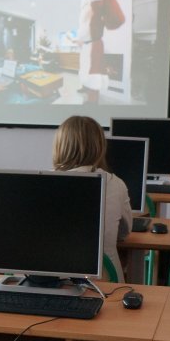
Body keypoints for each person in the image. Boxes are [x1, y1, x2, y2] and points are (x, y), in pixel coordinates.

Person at [51, 115, 133, 280]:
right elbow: (124, 232)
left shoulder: (43, 183)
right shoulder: (116, 184)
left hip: (57, 280)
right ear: (100, 146)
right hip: (106, 280)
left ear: (60, 146)